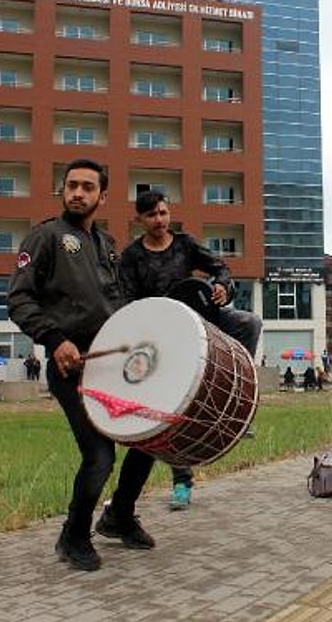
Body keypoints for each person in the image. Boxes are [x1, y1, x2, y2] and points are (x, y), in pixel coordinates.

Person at [8, 158, 156, 571]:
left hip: (113, 364)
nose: (77, 192)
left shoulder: (107, 243)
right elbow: (20, 299)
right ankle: (73, 536)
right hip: (72, 366)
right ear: (63, 190)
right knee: (100, 457)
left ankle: (120, 516)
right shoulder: (45, 238)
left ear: (102, 196)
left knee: (149, 439)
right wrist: (54, 339)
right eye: (71, 185)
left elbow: (116, 300)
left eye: (87, 187)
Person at [119, 190, 262, 511]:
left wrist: (224, 286)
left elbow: (220, 267)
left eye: (163, 213)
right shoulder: (131, 258)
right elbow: (127, 303)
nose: (159, 220)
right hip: (160, 336)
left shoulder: (185, 243)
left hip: (199, 317)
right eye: (152, 215)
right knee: (173, 409)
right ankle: (182, 482)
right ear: (140, 220)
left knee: (249, 323)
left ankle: (237, 399)